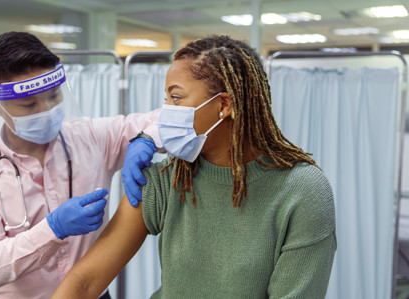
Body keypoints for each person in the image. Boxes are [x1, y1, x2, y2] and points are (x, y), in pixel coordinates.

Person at [52, 35, 337, 298]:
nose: (165, 112)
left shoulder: (302, 192)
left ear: (223, 105)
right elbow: (85, 281)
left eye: (175, 98)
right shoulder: (169, 178)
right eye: (166, 99)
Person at [0, 31, 160, 299]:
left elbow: (176, 118)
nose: (47, 110)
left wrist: (147, 137)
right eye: (29, 104)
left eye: (53, 96)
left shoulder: (91, 138)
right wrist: (53, 229)